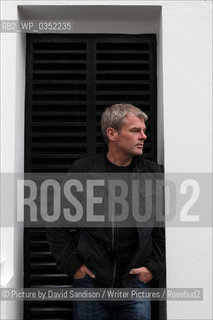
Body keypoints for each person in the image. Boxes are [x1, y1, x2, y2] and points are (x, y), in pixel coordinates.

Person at [46, 103, 165, 320]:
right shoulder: (82, 170)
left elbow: (164, 227)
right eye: (135, 130)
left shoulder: (153, 174)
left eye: (144, 131)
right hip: (90, 285)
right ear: (112, 133)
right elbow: (56, 222)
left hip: (134, 286)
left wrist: (153, 269)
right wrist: (74, 267)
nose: (144, 136)